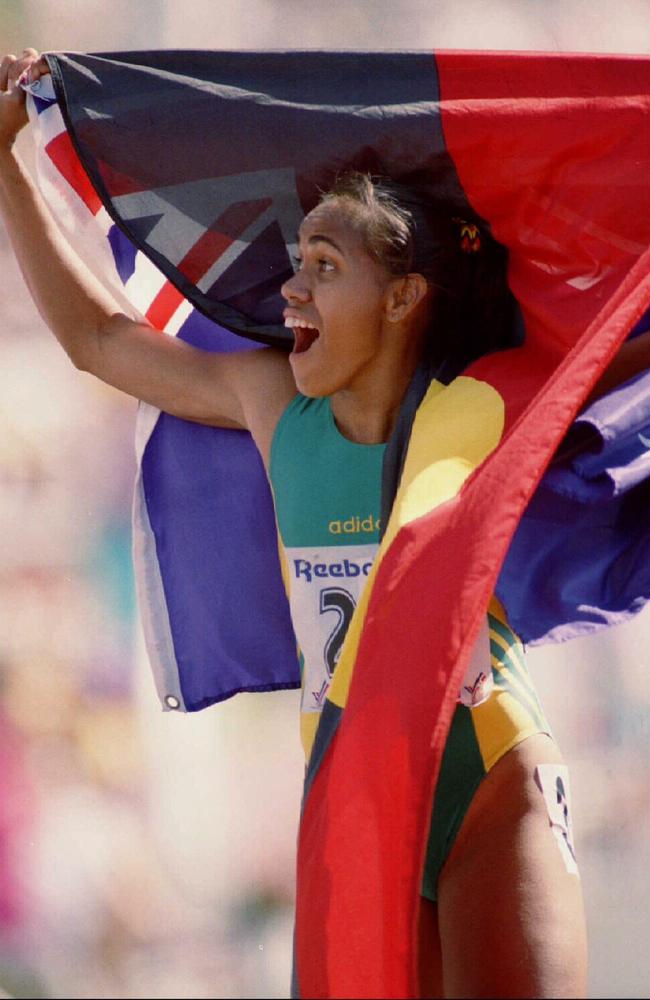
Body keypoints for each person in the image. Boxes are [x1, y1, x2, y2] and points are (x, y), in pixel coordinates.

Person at [2, 48, 649, 999]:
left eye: (323, 266)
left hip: (490, 783)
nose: (289, 289)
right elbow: (100, 341)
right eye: (295, 263)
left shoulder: (484, 405)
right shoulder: (271, 409)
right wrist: (9, 165)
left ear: (401, 297)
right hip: (353, 803)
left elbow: (623, 332)